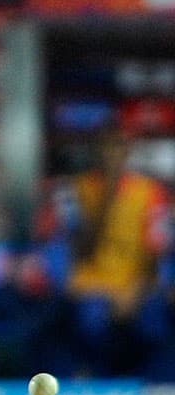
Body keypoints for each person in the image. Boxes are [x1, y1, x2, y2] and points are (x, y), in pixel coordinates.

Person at [47, 124, 172, 377]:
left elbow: (157, 254)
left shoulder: (150, 193)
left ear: (127, 153)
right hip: (92, 286)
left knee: (154, 320)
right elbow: (80, 251)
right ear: (95, 152)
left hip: (135, 286)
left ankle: (151, 388)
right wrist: (106, 200)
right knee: (90, 320)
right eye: (105, 148)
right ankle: (95, 383)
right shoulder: (74, 191)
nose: (110, 155)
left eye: (117, 148)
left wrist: (136, 291)